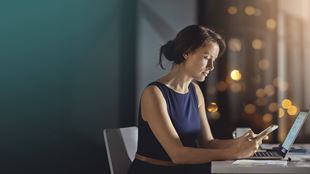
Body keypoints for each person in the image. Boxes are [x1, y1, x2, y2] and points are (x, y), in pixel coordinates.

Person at [127, 25, 265, 174]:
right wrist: (235, 152)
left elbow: (208, 143)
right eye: (206, 58)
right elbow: (178, 154)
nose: (211, 67)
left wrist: (239, 143)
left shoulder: (195, 90)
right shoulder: (154, 93)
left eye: (214, 60)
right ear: (186, 52)